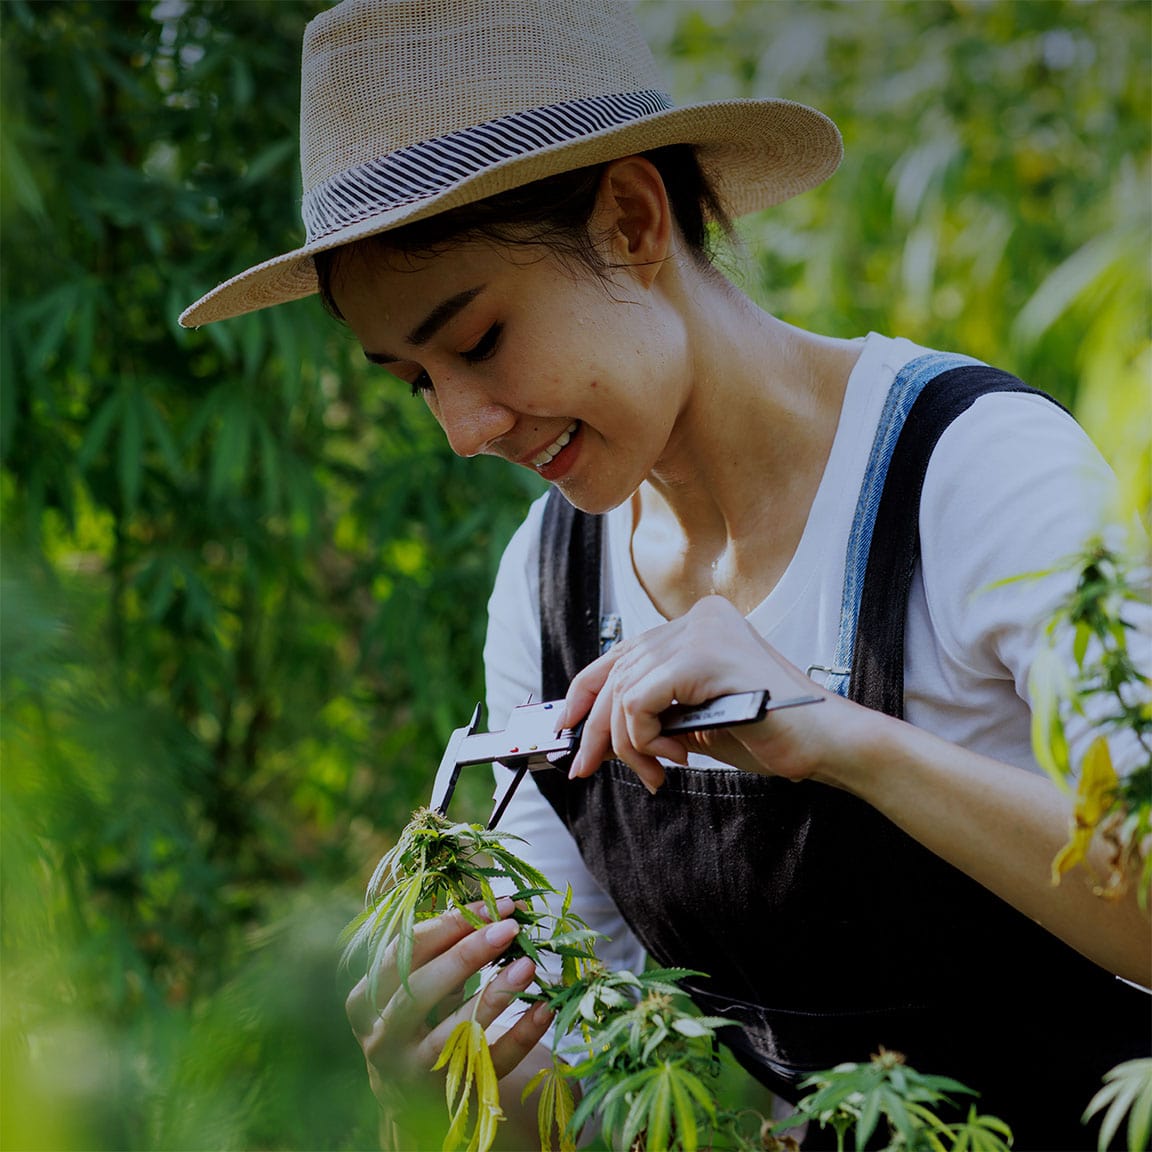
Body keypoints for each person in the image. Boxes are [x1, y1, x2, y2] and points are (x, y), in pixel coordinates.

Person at [179, 1, 1150, 1147]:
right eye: (415, 379)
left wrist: (839, 738)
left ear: (634, 219)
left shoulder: (970, 470)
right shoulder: (548, 586)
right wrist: (454, 1073)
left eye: (480, 340)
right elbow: (573, 1099)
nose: (462, 426)